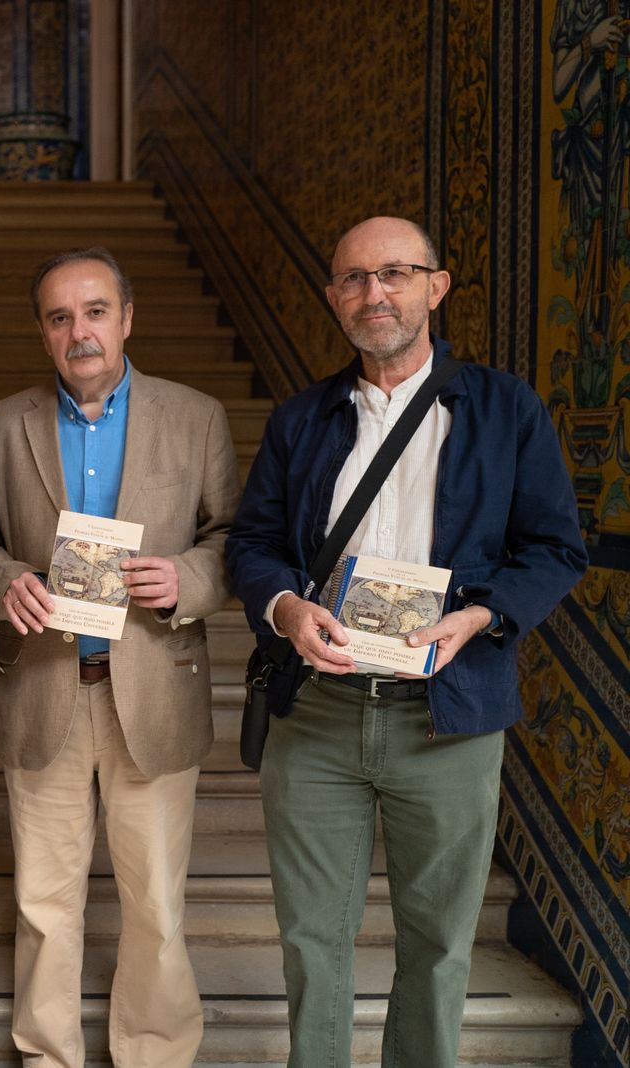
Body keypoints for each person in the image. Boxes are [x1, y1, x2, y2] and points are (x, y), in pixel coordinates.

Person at [225, 217, 588, 1067]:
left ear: (437, 285)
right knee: (313, 939)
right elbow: (253, 544)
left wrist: (481, 616)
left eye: (394, 273)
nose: (373, 293)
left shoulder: (505, 411)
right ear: (331, 298)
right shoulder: (302, 420)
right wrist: (283, 609)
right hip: (316, 713)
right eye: (353, 279)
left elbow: (555, 548)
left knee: (439, 942)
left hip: (448, 717)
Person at [0, 247, 239, 1067]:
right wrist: (3, 580)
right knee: (44, 901)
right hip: (46, 684)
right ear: (43, 333)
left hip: (152, 688)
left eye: (93, 312)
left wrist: (184, 576)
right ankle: (49, 1054)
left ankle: (153, 1054)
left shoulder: (196, 417)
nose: (78, 331)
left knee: (155, 900)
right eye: (59, 317)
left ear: (127, 318)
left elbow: (234, 542)